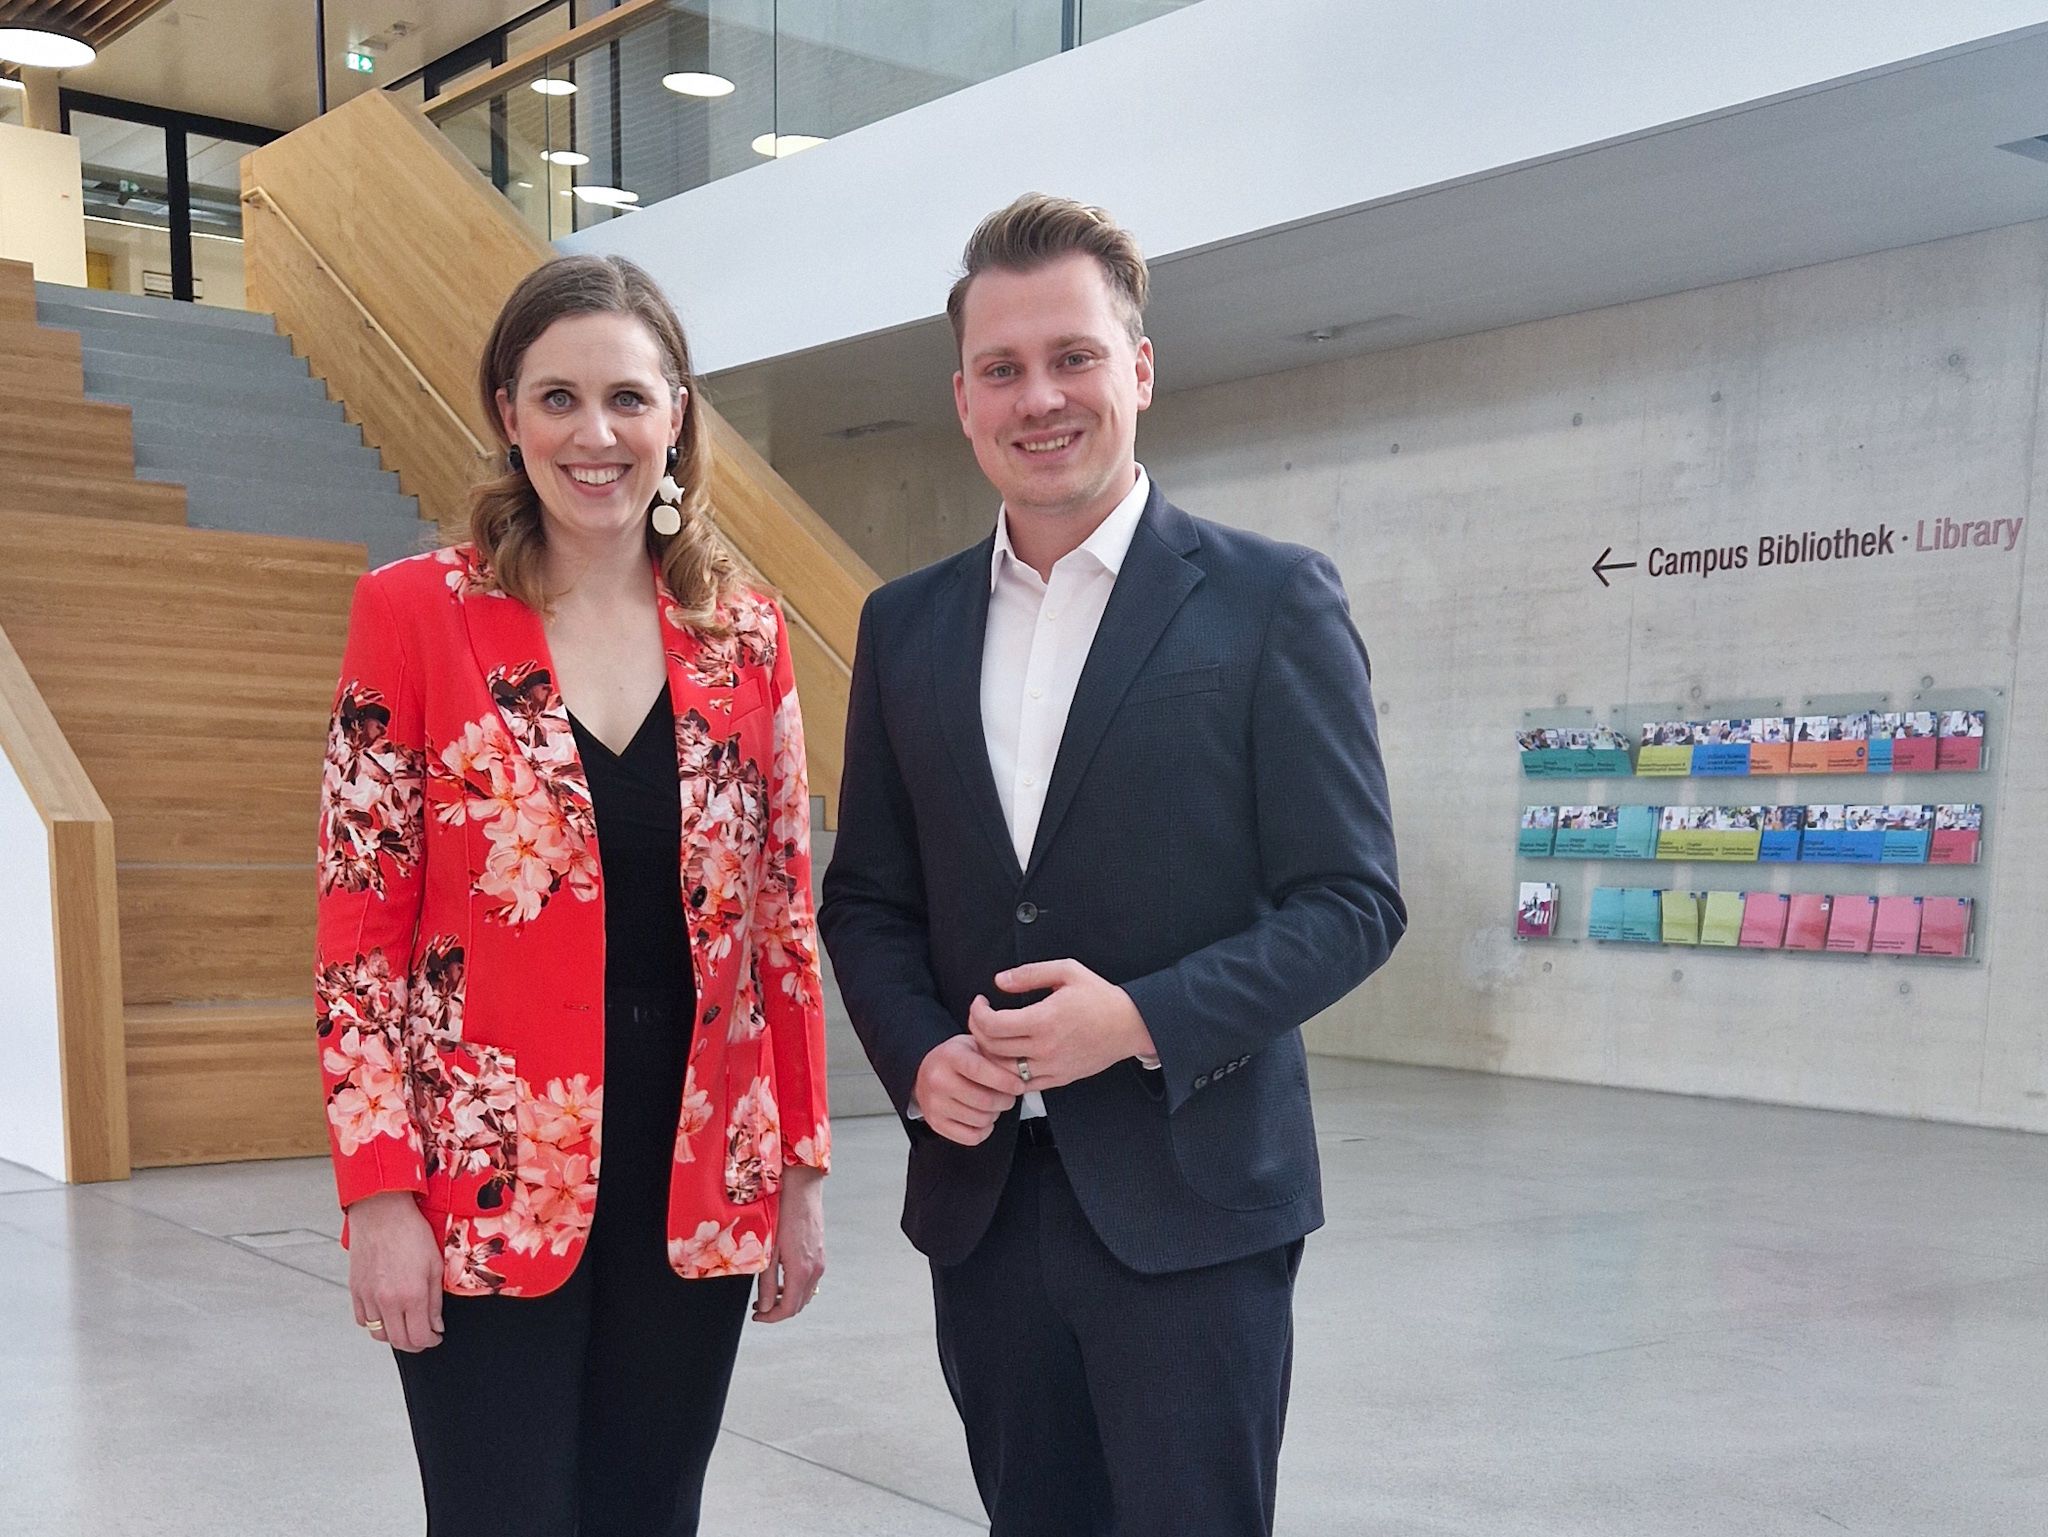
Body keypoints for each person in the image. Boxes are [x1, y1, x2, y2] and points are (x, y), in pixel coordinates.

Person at [818, 195, 1404, 1537]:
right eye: (1005, 368)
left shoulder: (1269, 601)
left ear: (1138, 369)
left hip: (1193, 1206)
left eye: (1074, 356)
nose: (1042, 397)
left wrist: (1137, 1021)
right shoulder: (904, 627)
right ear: (962, 397)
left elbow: (1352, 902)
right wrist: (918, 1059)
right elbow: (868, 902)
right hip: (982, 1206)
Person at [313, 254, 830, 1536]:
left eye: (626, 398)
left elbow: (782, 921)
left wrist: (800, 1174)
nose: (593, 435)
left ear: (677, 414)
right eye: (556, 398)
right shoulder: (414, 613)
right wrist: (378, 1195)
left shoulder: (747, 639)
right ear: (506, 413)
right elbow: (358, 931)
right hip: (482, 1166)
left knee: (649, 1512)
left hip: (698, 1163)